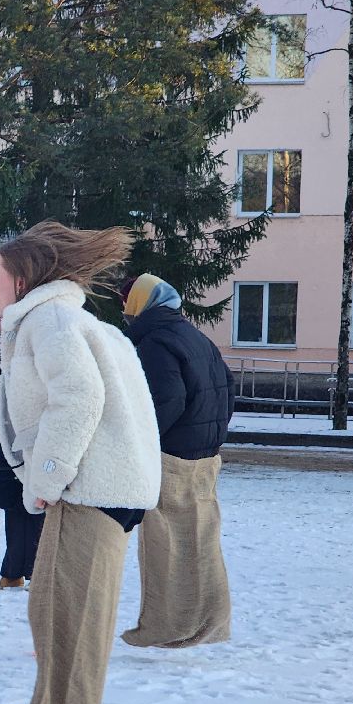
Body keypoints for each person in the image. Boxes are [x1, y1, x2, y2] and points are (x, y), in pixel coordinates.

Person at [0, 220, 161, 704]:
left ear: (23, 277)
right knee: (55, 621)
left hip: (92, 492)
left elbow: (80, 397)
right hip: (101, 490)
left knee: (69, 629)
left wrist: (47, 478)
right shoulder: (69, 320)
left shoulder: (52, 320)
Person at [118, 273, 235, 649]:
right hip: (205, 456)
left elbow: (164, 402)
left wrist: (142, 441)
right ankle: (210, 622)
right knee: (201, 541)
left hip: (171, 458)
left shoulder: (155, 342)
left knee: (165, 546)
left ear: (140, 303)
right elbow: (228, 390)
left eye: (126, 301)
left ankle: (166, 626)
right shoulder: (195, 336)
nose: (123, 309)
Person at [0, 314, 41, 589]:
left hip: (21, 438)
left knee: (30, 508)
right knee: (23, 508)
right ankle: (18, 571)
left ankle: (24, 571)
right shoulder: (9, 350)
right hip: (19, 438)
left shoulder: (16, 351)